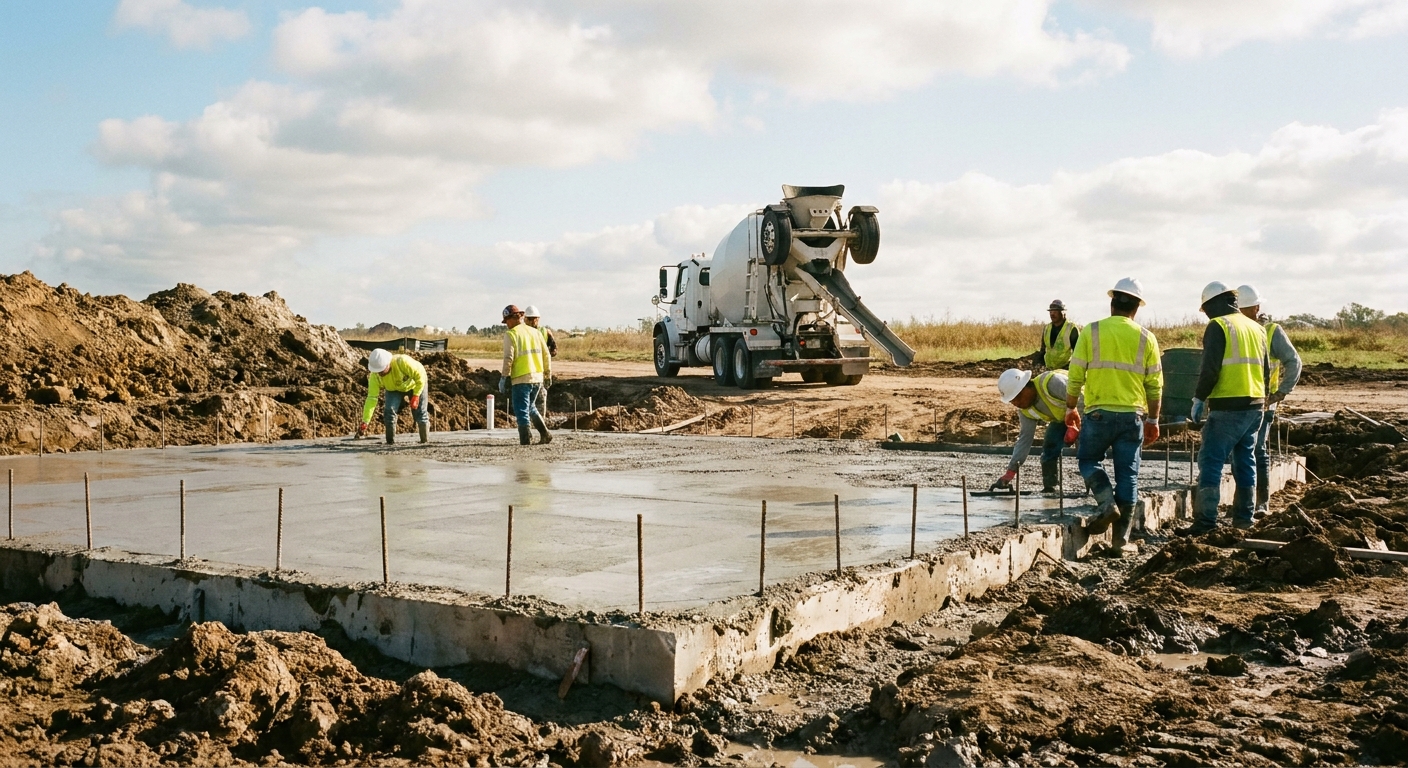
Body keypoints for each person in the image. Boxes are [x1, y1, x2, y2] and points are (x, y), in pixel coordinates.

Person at [1065, 278, 1163, 556]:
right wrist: (1153, 420)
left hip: (1098, 413)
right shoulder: (1147, 338)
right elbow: (1155, 385)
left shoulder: (1092, 331)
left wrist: (1071, 407)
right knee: (1128, 476)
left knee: (1088, 460)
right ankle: (1120, 542)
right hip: (1133, 417)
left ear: (1112, 303)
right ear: (1136, 308)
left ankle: (1106, 503)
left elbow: (1075, 374)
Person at [1185, 282, 1270, 533]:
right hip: (1255, 404)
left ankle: (1206, 522)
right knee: (1245, 460)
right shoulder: (1257, 328)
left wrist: (1199, 398)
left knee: (1211, 460)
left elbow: (1210, 369)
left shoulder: (1219, 325)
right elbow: (1265, 370)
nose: (1206, 315)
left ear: (1213, 304)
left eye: (1206, 310)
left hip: (1227, 406)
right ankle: (1244, 519)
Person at [1237, 284, 1302, 518]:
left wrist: (1280, 392)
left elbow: (1294, 361)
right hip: (1238, 401)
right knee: (1241, 451)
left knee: (1257, 450)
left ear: (1256, 309)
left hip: (1264, 403)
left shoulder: (1272, 331)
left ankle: (1260, 503)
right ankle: (1244, 503)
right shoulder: (1235, 330)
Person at [992, 369, 1075, 493]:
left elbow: (1081, 400)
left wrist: (1075, 426)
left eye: (1018, 397)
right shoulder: (1025, 411)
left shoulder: (1051, 383)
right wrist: (1011, 472)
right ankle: (1050, 489)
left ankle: (1096, 488)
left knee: (1087, 452)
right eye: (1012, 400)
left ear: (1027, 386)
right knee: (1049, 447)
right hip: (1062, 418)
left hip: (1090, 410)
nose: (1016, 403)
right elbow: (1024, 440)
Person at [501, 305, 553, 445]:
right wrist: (547, 375)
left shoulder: (511, 334)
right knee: (530, 407)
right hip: (537, 378)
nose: (506, 325)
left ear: (512, 319)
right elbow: (546, 355)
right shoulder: (535, 332)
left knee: (521, 410)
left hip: (521, 378)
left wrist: (504, 377)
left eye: (506, 321)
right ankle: (545, 434)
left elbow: (508, 358)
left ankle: (526, 440)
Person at [359, 348, 429, 445]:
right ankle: (390, 442)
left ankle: (424, 442)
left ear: (388, 363)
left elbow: (420, 377)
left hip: (415, 384)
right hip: (393, 389)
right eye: (378, 372)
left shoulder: (402, 362)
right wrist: (365, 420)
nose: (380, 374)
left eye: (382, 371)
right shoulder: (375, 376)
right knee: (389, 412)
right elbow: (372, 398)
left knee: (420, 412)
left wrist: (416, 395)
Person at [524, 305, 557, 416]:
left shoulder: (544, 332)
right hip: (532, 371)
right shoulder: (543, 332)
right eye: (531, 319)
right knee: (534, 399)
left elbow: (553, 351)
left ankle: (537, 421)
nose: (532, 321)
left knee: (536, 399)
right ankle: (535, 420)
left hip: (534, 371)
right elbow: (553, 352)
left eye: (533, 319)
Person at [1030, 300, 1079, 371]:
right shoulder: (1047, 328)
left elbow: (1077, 353)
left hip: (1065, 369)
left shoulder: (1071, 328)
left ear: (1063, 312)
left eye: (1055, 312)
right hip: (1048, 368)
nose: (1052, 314)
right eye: (1051, 312)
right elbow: (1043, 350)